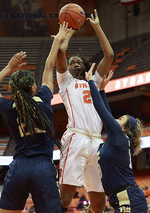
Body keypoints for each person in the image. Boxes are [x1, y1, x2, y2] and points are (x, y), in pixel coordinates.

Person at [0, 23, 71, 213]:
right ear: (33, 88)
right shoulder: (43, 98)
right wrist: (57, 40)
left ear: (14, 91)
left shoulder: (9, 108)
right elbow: (49, 67)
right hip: (43, 167)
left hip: (19, 167)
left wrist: (9, 68)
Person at [56, 9, 114, 213]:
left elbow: (109, 55)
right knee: (64, 198)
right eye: (72, 62)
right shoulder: (65, 82)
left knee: (99, 204)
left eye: (78, 61)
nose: (75, 62)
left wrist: (97, 28)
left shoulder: (94, 80)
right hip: (76, 138)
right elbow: (61, 53)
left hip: (97, 142)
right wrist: (70, 30)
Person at [85, 66, 147, 212]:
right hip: (122, 198)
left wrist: (90, 82)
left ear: (125, 129)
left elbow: (101, 109)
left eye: (120, 119)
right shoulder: (117, 140)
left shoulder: (120, 137)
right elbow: (107, 113)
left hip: (129, 198)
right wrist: (101, 90)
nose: (115, 119)